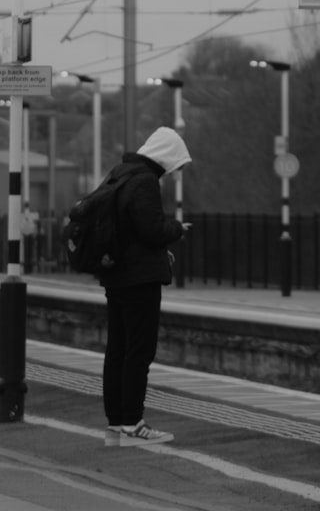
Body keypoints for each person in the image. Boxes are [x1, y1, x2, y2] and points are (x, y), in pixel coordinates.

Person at [101, 126, 191, 447]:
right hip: (140, 280)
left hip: (117, 277)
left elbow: (130, 228)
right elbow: (151, 229)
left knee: (118, 349)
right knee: (139, 351)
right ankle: (132, 422)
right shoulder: (145, 181)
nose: (174, 171)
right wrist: (177, 229)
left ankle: (116, 421)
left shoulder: (119, 173)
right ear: (165, 157)